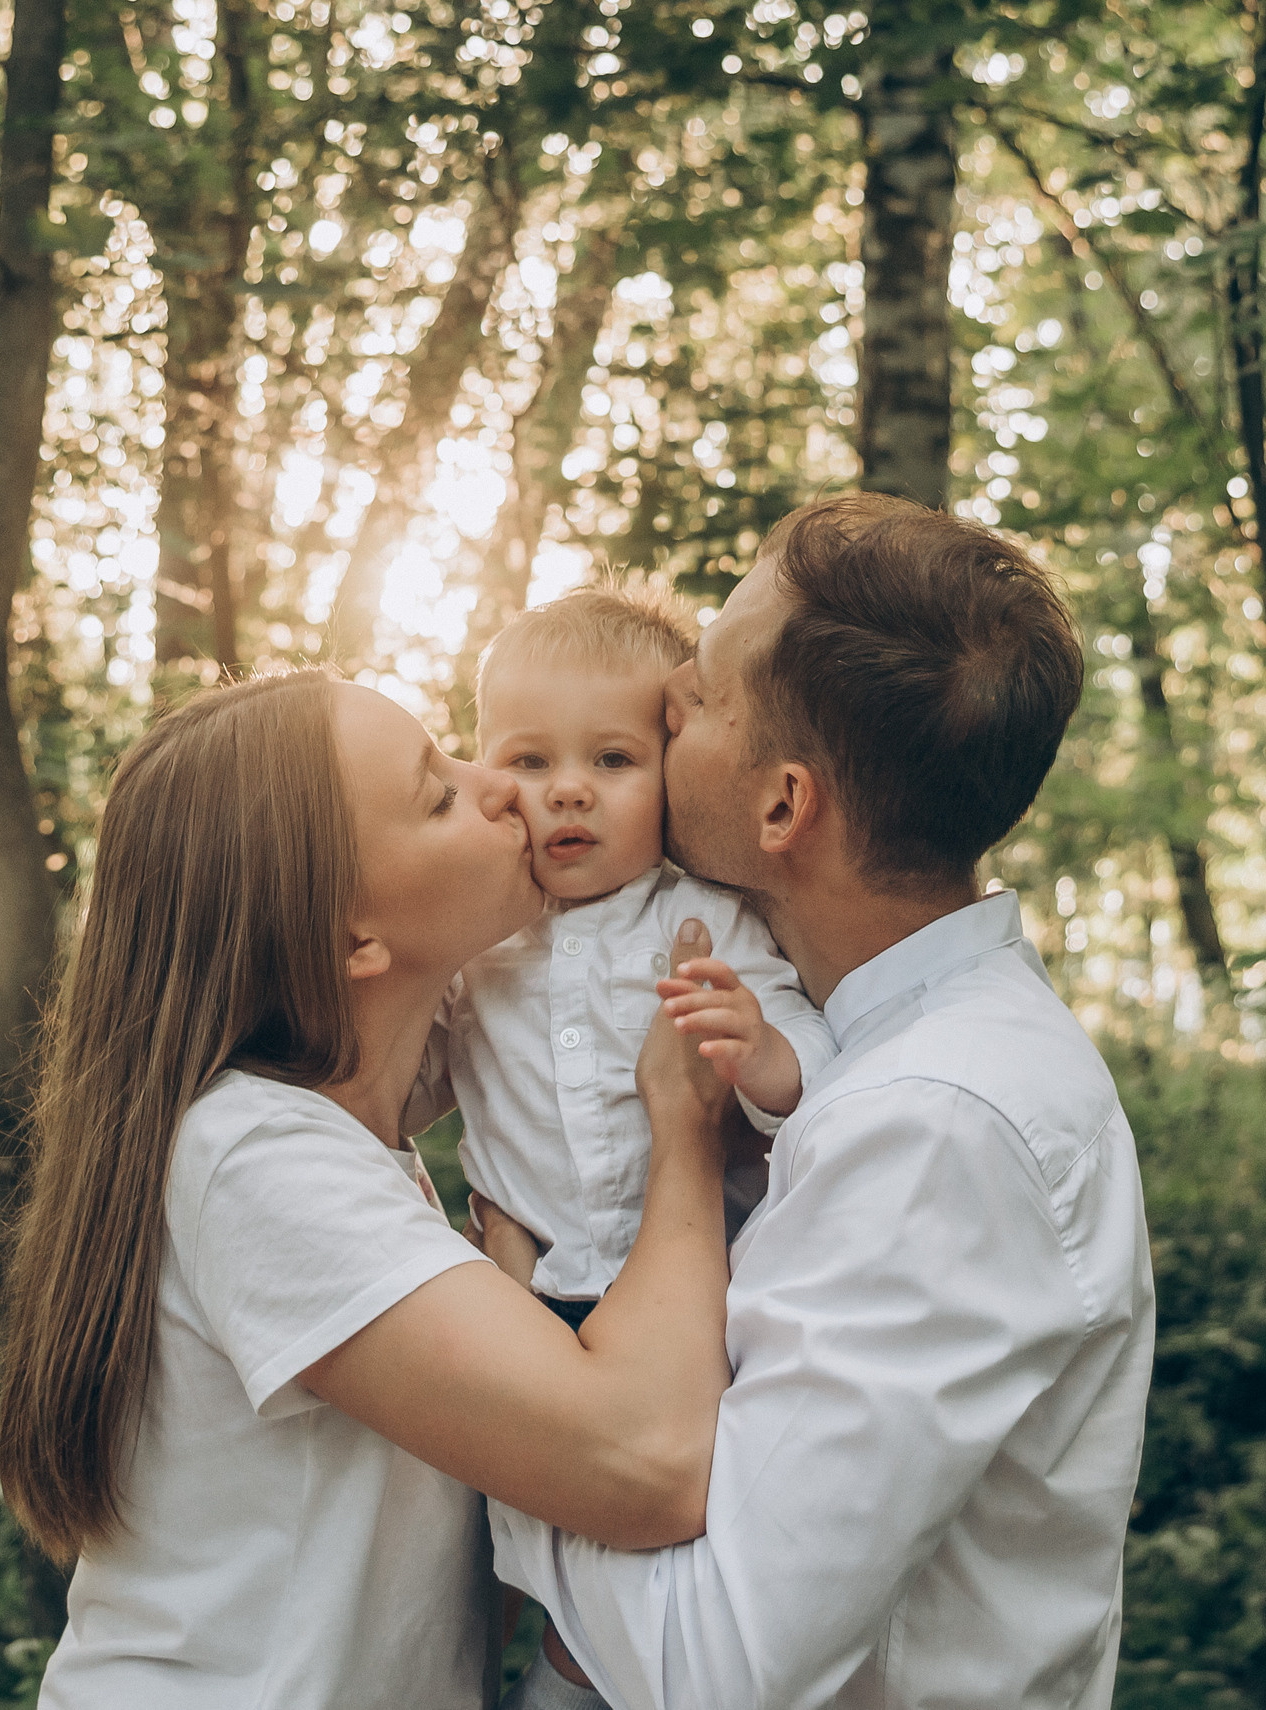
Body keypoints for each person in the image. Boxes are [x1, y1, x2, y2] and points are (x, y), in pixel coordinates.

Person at [491, 493, 1158, 1710]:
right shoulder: (853, 1054)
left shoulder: (938, 1123)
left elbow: (714, 1659)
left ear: (783, 806)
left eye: (700, 696)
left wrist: (500, 1440)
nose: (661, 701)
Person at [0, 670, 745, 1709]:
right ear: (353, 939)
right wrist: (684, 1127)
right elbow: (652, 1466)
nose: (501, 789)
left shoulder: (341, 1153)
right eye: (438, 793)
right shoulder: (256, 1161)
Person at [411, 588, 834, 1329]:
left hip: (707, 1286)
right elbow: (410, 1089)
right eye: (530, 760)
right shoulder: (476, 941)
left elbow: (817, 1065)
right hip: (526, 1290)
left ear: (667, 773)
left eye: (613, 759)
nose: (570, 790)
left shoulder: (702, 917)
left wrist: (762, 1051)